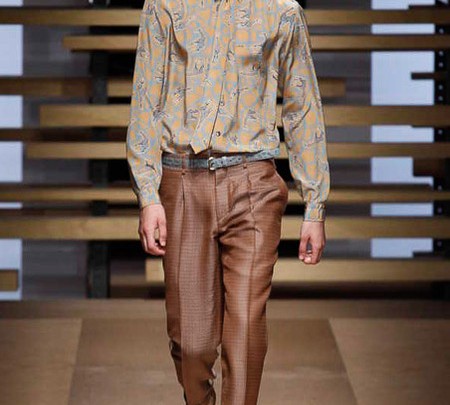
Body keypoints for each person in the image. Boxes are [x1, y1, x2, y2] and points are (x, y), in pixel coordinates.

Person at [126, 0, 330, 403]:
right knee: (192, 343)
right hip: (183, 179)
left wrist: (314, 205)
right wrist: (148, 195)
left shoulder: (282, 10)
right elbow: (146, 100)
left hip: (253, 183)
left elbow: (302, 107)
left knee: (246, 329)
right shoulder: (164, 6)